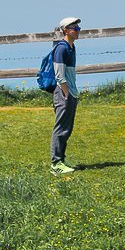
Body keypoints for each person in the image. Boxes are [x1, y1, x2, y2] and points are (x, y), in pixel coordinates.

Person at [49, 17, 81, 175]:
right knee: (61, 128)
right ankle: (56, 164)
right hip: (63, 93)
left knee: (67, 128)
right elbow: (59, 75)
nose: (78, 31)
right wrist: (67, 93)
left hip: (70, 92)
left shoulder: (71, 47)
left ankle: (61, 158)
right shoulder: (61, 49)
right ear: (66, 31)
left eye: (78, 28)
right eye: (75, 28)